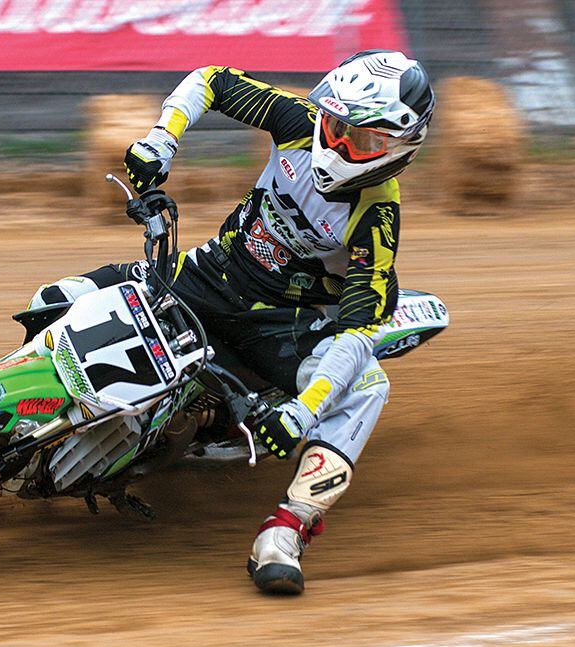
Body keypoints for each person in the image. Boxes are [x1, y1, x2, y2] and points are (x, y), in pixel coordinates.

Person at [29, 50, 435, 594]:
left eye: (359, 140)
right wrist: (160, 141)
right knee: (55, 297)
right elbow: (211, 82)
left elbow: (360, 330)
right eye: (336, 124)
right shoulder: (299, 121)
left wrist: (302, 410)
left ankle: (287, 530)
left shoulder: (377, 218)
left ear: (398, 148)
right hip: (204, 273)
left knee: (367, 384)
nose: (335, 144)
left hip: (280, 326)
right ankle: (32, 419)